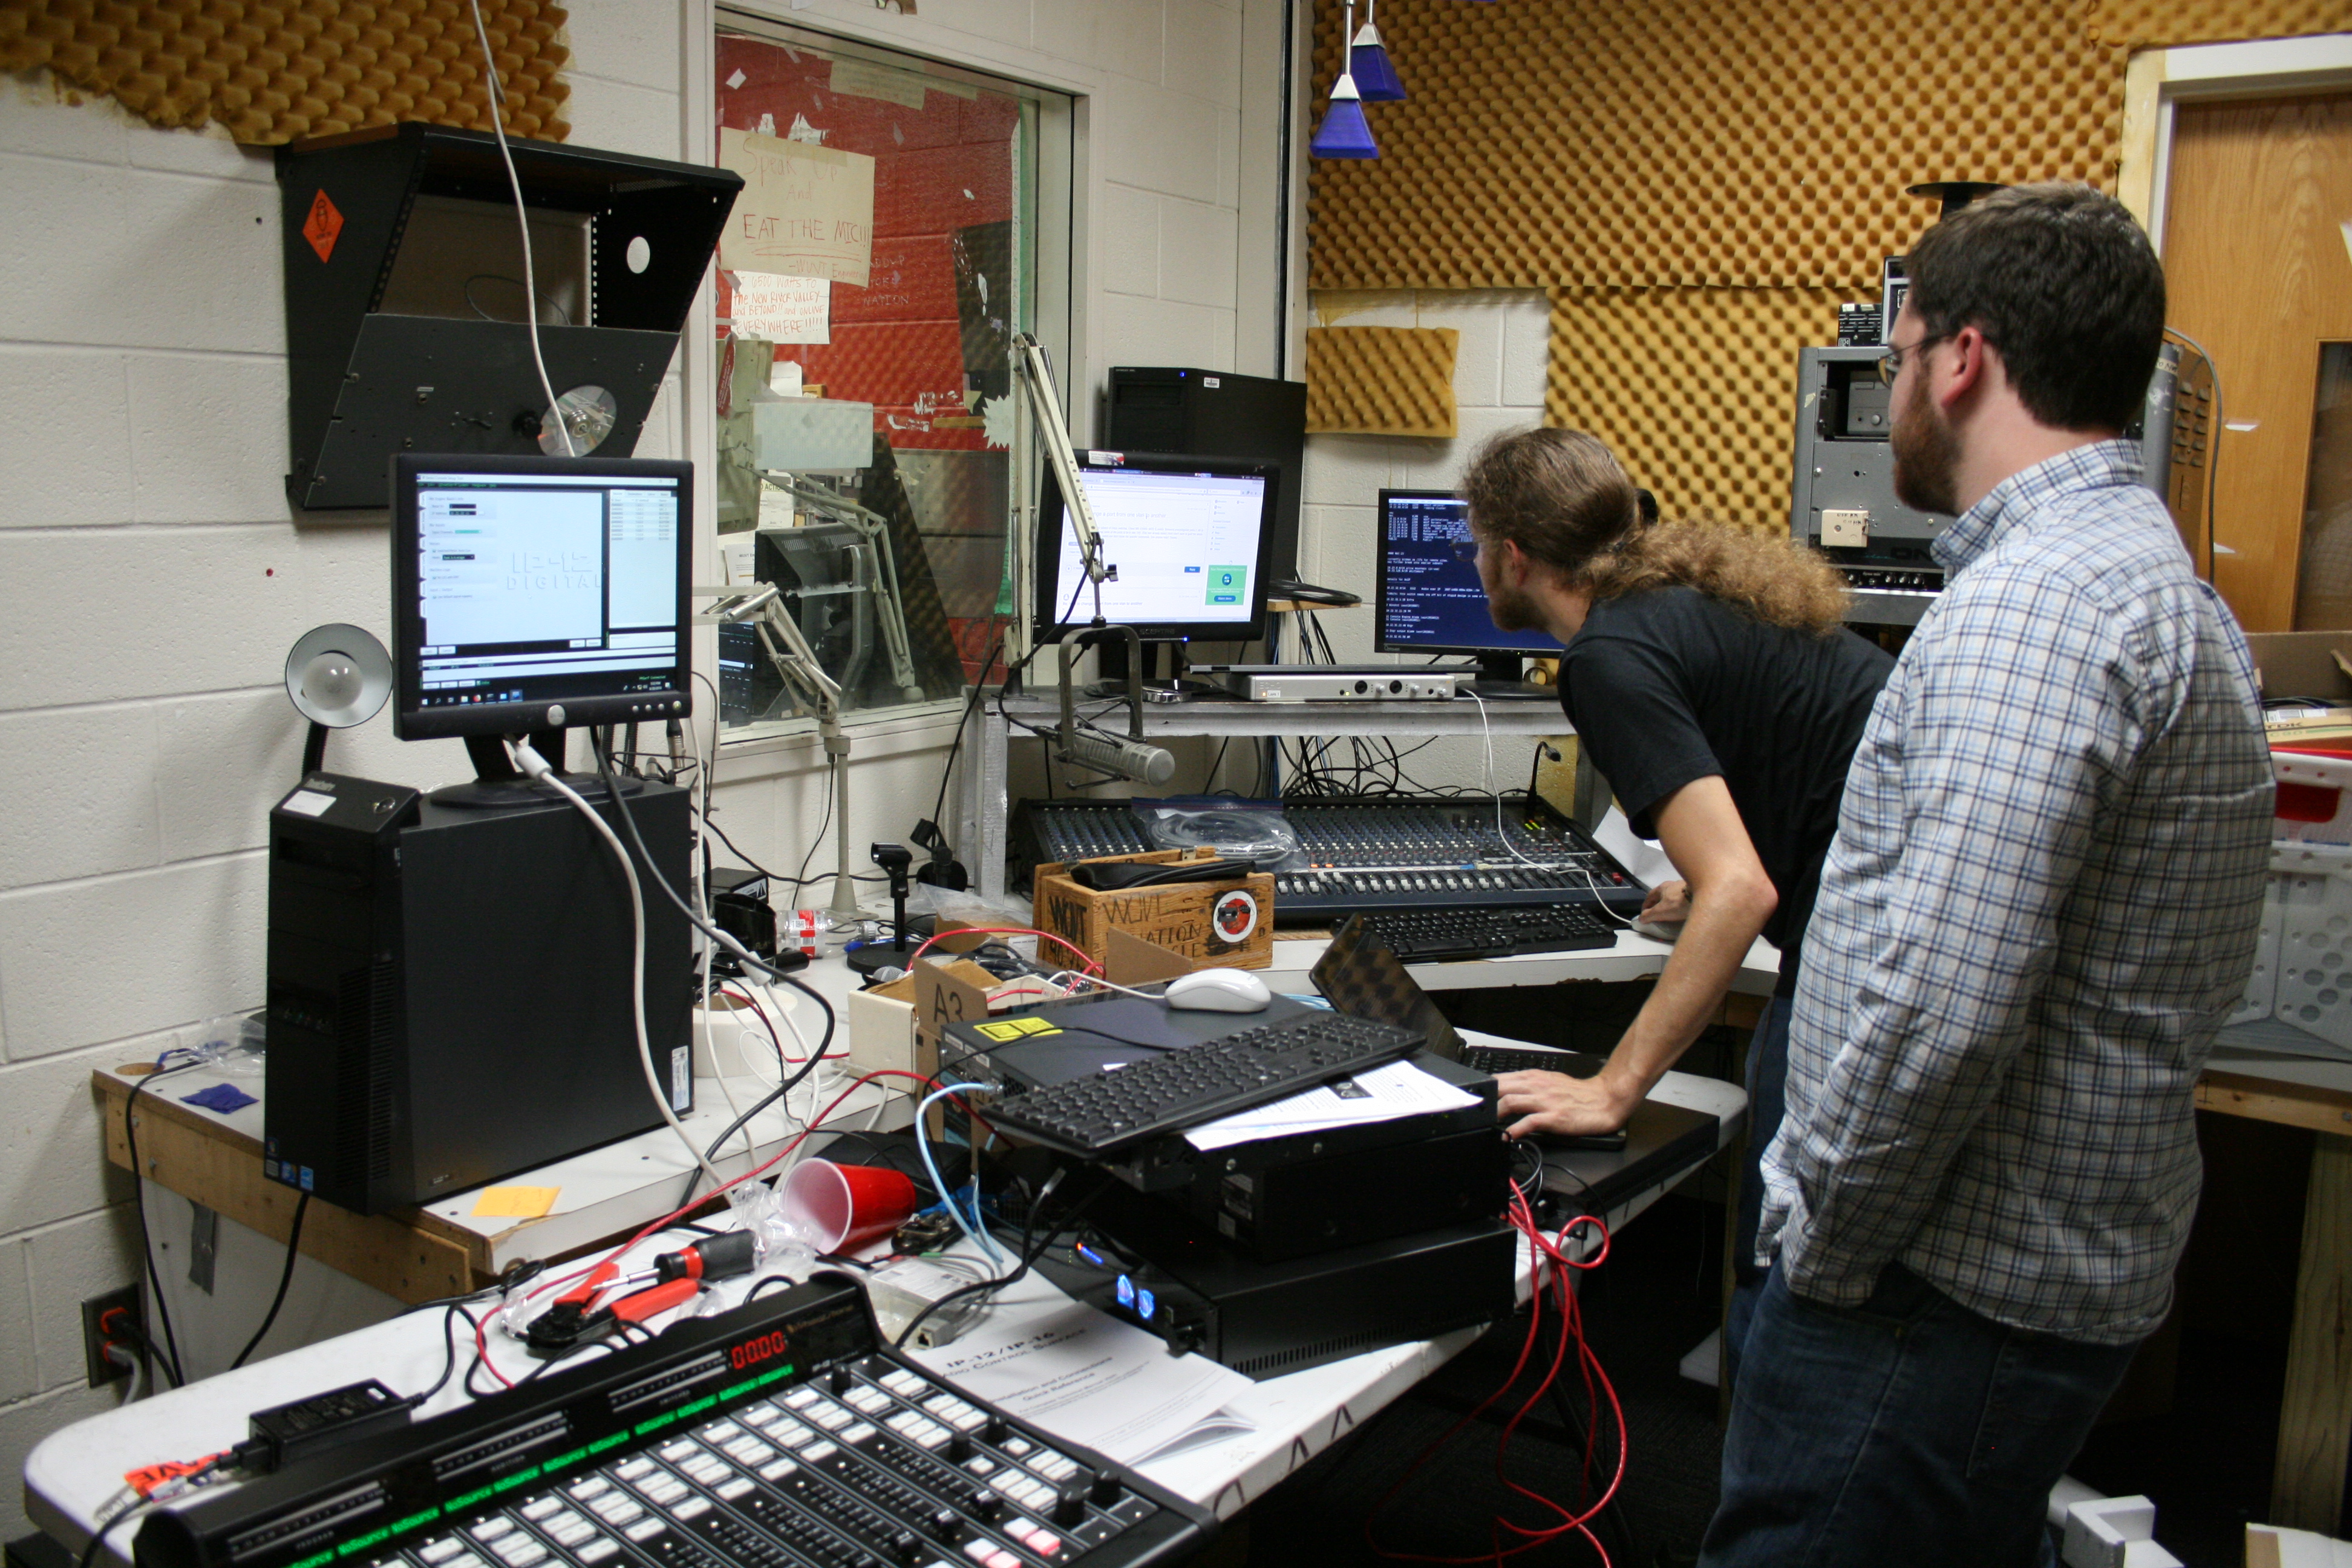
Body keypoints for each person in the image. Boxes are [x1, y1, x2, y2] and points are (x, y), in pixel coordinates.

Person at [1703, 184, 2275, 1567]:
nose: (1893, 386)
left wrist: (1821, 1248)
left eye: (1898, 357)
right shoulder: (2153, 580)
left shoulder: (2032, 614)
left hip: (1926, 1302)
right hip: (2035, 1286)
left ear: (1961, 360)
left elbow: (1942, 1012)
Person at [1459, 425, 1893, 1367]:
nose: (1474, 559)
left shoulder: (1607, 659)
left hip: (1863, 959)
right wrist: (1696, 891)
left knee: (1781, 1267)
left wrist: (1613, 1089)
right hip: (1895, 920)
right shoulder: (1675, 600)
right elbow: (1769, 801)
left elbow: (1742, 888)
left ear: (1516, 554)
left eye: (1476, 539)